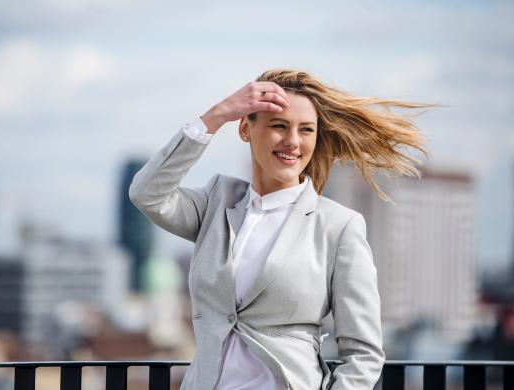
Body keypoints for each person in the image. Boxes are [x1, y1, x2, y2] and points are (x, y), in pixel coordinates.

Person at [129, 68, 433, 390]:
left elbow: (363, 353)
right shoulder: (215, 204)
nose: (293, 141)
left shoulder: (338, 227)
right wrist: (217, 115)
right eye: (279, 126)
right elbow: (146, 193)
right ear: (246, 128)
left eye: (306, 130)